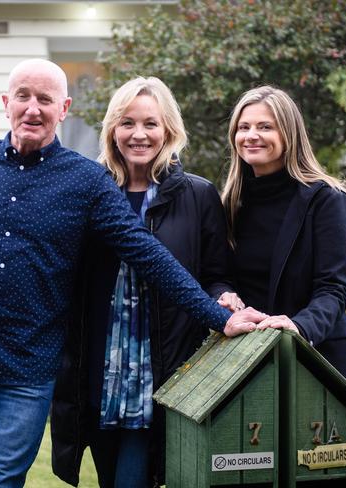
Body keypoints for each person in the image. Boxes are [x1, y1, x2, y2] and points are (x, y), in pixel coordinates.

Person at [0, 59, 265, 488]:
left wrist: (220, 316)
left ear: (64, 108)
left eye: (45, 99)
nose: (33, 109)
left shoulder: (85, 182)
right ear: (6, 103)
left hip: (29, 362)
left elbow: (147, 253)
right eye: (23, 97)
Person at [51, 77, 232, 487]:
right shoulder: (90, 189)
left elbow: (215, 274)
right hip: (97, 370)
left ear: (168, 129)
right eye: (127, 123)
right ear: (112, 129)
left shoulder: (198, 195)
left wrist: (224, 297)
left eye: (150, 123)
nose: (139, 134)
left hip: (161, 369)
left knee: (134, 477)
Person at [218, 85, 346, 398]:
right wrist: (224, 294)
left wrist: (298, 326)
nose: (251, 135)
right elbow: (216, 274)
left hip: (322, 361)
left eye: (265, 127)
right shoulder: (230, 202)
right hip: (249, 363)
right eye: (243, 127)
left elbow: (333, 289)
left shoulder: (326, 199)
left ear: (289, 134)